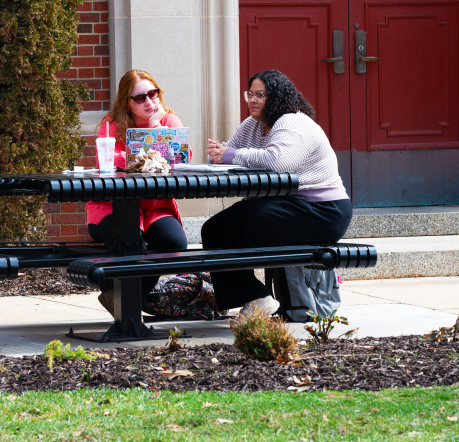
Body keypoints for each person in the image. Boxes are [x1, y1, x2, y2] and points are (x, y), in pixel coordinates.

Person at [205, 69, 352, 316]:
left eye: (259, 95)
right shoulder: (252, 125)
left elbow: (279, 162)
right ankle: (254, 298)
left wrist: (228, 154)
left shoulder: (292, 121)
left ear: (277, 97)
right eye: (249, 94)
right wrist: (220, 154)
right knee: (213, 229)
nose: (252, 100)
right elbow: (230, 157)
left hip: (322, 211)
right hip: (288, 207)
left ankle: (257, 299)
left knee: (238, 221)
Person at [87, 69, 190, 315]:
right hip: (111, 207)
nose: (149, 102)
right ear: (127, 103)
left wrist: (155, 129)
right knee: (132, 243)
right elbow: (108, 160)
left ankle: (117, 298)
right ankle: (121, 301)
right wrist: (152, 151)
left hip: (156, 207)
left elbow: (181, 160)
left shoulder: (169, 121)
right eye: (140, 98)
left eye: (153, 94)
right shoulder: (111, 124)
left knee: (175, 243)